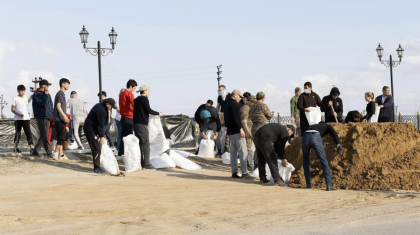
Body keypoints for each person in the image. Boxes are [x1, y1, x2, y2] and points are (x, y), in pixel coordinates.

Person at [302, 122, 343, 191]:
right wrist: (338, 145)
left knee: (305, 160)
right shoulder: (327, 126)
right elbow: (334, 133)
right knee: (323, 160)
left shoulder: (315, 126)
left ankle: (308, 184)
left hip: (305, 136)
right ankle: (329, 185)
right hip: (315, 136)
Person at [224, 90, 255, 180]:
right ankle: (244, 172)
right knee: (243, 151)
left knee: (233, 153)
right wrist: (241, 129)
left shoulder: (227, 104)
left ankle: (234, 172)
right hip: (237, 131)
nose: (240, 99)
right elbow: (236, 118)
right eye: (239, 97)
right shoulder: (234, 104)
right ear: (236, 95)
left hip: (230, 131)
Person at [133, 85, 163, 169]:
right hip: (142, 124)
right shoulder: (144, 99)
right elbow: (148, 110)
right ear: (145, 91)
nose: (149, 92)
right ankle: (146, 164)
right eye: (149, 91)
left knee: (139, 144)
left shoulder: (136, 100)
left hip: (135, 123)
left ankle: (141, 162)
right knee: (146, 143)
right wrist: (158, 113)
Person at [83, 98, 117, 173]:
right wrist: (102, 137)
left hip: (93, 129)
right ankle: (97, 168)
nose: (111, 109)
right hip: (90, 130)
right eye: (111, 106)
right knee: (97, 148)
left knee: (97, 148)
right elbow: (100, 125)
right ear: (108, 104)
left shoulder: (101, 106)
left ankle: (98, 165)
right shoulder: (101, 110)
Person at [249, 91, 273, 168]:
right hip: (263, 128)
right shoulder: (263, 105)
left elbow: (250, 116)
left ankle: (256, 165)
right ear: (263, 98)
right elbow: (270, 116)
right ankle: (263, 166)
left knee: (257, 147)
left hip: (254, 128)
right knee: (264, 147)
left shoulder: (251, 107)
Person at [31, 79, 54, 157]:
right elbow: (41, 103)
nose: (48, 87)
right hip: (41, 116)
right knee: (44, 135)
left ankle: (35, 151)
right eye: (47, 85)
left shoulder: (46, 94)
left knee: (45, 135)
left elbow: (50, 106)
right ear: (44, 86)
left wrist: (52, 116)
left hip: (47, 116)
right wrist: (45, 95)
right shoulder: (37, 94)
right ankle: (49, 152)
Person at [11, 85, 34, 154]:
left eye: (23, 91)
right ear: (18, 91)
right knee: (18, 133)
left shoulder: (25, 99)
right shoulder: (15, 99)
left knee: (28, 133)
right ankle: (15, 147)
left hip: (26, 118)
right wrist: (19, 114)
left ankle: (31, 147)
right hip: (18, 119)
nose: (22, 92)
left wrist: (30, 98)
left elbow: (25, 106)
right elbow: (12, 109)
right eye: (21, 91)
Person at [118, 79, 138, 157]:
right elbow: (134, 105)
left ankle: (120, 153)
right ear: (130, 86)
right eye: (134, 88)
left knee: (123, 137)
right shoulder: (130, 94)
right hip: (129, 117)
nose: (134, 90)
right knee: (129, 138)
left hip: (122, 117)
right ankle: (128, 155)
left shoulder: (121, 94)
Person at [52, 78, 71, 161]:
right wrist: (64, 116)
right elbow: (58, 106)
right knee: (61, 137)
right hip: (59, 118)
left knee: (61, 137)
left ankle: (61, 154)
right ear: (62, 84)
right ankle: (56, 153)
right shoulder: (60, 94)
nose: (68, 85)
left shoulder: (62, 94)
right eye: (67, 84)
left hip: (60, 118)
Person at [240, 93, 255, 169]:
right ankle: (246, 164)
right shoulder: (245, 109)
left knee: (250, 148)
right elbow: (244, 122)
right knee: (247, 148)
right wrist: (248, 132)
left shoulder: (249, 108)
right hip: (247, 130)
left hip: (249, 129)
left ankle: (248, 164)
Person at [217, 85, 231, 153]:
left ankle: (227, 146)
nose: (219, 91)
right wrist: (216, 114)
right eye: (219, 90)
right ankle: (222, 147)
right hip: (222, 114)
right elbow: (218, 106)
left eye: (220, 90)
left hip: (228, 114)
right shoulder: (219, 97)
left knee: (227, 131)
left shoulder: (229, 96)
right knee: (222, 131)